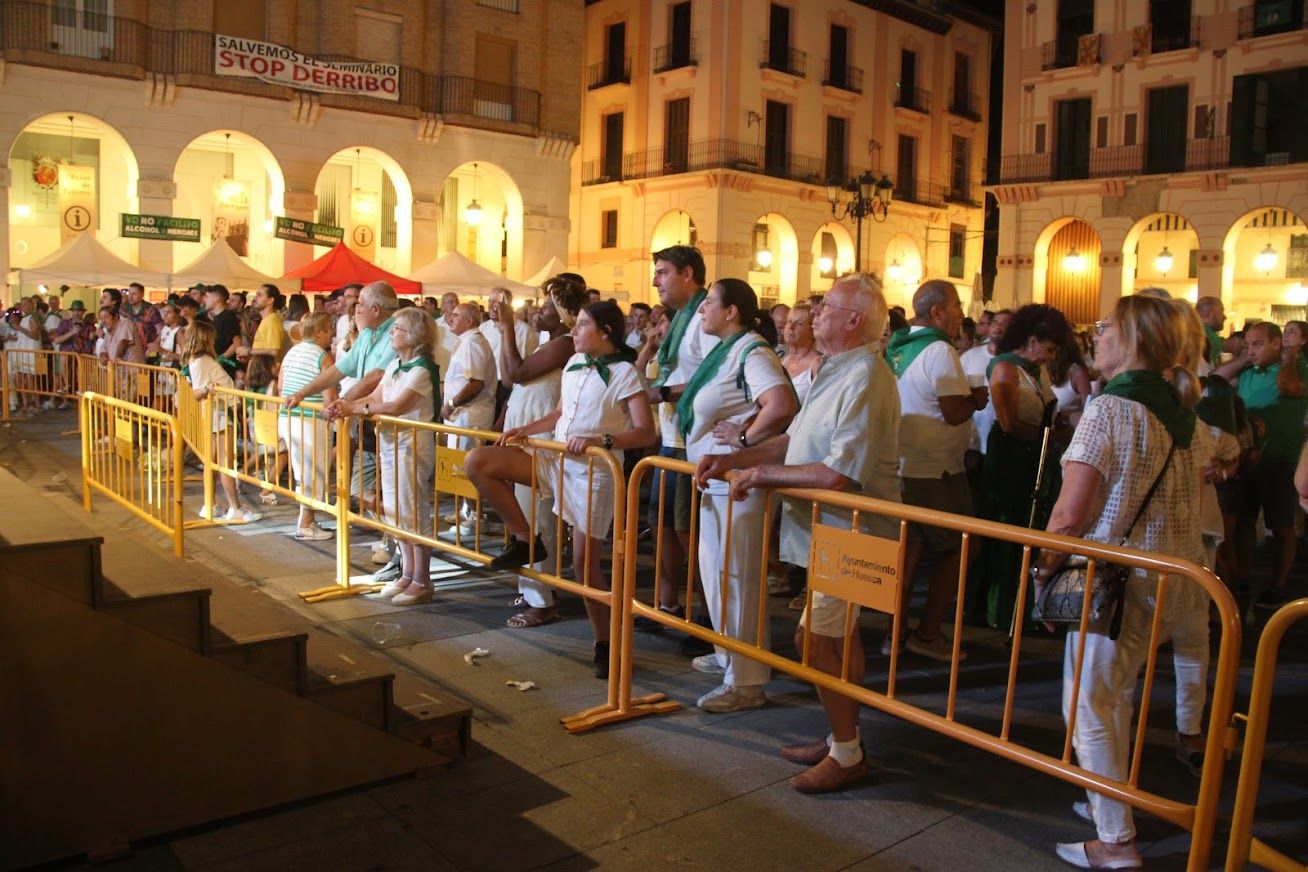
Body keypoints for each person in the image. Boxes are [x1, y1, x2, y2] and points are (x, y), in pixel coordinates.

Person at [1033, 295, 1236, 870]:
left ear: (1136, 342)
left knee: (1091, 703)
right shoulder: (1183, 413)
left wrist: (1044, 569)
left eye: (1107, 329)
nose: (1096, 336)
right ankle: (1109, 799)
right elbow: (1227, 453)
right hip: (1178, 576)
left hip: (1117, 582)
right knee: (1116, 696)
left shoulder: (1109, 410)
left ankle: (1116, 841)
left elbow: (1069, 516)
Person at [698, 273, 900, 794]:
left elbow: (838, 472)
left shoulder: (866, 376)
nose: (814, 313)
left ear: (854, 321)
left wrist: (760, 475)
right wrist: (736, 459)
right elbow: (794, 441)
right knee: (837, 638)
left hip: (853, 534)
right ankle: (841, 737)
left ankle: (848, 752)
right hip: (831, 533)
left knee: (816, 642)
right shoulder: (838, 368)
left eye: (827, 306)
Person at [465, 301, 655, 677]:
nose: (576, 330)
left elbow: (645, 432)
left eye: (583, 324)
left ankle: (606, 642)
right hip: (557, 460)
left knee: (586, 566)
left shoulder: (625, 373)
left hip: (595, 472)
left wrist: (601, 438)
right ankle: (525, 538)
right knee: (479, 462)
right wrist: (528, 429)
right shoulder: (572, 364)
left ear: (605, 332)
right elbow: (560, 415)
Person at [682, 279, 796, 711]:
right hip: (720, 481)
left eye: (709, 303)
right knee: (718, 571)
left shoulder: (754, 351)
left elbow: (781, 404)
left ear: (732, 312)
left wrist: (744, 439)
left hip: (740, 484)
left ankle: (746, 682)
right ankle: (730, 652)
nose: (701, 310)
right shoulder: (728, 351)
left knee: (737, 577)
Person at [885, 280, 988, 661]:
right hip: (936, 470)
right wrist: (976, 400)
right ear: (937, 312)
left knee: (910, 554)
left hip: (903, 463)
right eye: (956, 305)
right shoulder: (939, 350)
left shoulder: (895, 347)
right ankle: (928, 634)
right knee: (963, 546)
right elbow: (953, 411)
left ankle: (893, 635)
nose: (962, 313)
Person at [286, 282, 401, 577]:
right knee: (363, 488)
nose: (355, 308)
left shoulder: (393, 333)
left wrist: (341, 402)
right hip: (362, 422)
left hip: (387, 423)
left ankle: (399, 549)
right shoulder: (368, 335)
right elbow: (340, 369)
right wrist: (303, 392)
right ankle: (394, 543)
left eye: (360, 303)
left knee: (389, 488)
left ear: (376, 309)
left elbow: (376, 376)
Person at [967, 304, 1071, 631]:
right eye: (1049, 349)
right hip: (1011, 459)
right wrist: (1054, 435)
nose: (1051, 357)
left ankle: (1025, 607)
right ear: (1031, 340)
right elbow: (1009, 422)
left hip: (1035, 458)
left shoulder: (1032, 369)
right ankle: (1001, 608)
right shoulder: (1004, 369)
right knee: (1009, 528)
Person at [327, 308, 441, 605]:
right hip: (391, 443)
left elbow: (397, 406)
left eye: (398, 329)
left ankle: (422, 579)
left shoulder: (421, 369)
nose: (392, 333)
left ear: (415, 335)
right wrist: (345, 404)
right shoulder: (395, 365)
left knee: (412, 509)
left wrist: (356, 409)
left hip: (411, 445)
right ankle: (407, 571)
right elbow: (377, 398)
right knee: (394, 509)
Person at [497, 274, 589, 628]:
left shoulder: (565, 343)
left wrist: (507, 328)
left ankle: (543, 600)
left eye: (547, 305)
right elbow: (509, 379)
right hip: (528, 435)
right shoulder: (546, 342)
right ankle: (533, 586)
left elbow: (515, 372)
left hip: (543, 440)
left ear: (564, 313)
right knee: (526, 513)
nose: (538, 310)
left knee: (536, 517)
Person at [639, 245, 719, 628]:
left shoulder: (705, 318)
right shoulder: (681, 318)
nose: (656, 280)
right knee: (663, 525)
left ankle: (707, 616)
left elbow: (713, 378)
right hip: (672, 437)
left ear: (688, 274)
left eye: (663, 272)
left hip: (693, 442)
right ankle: (667, 603)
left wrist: (664, 393)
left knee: (692, 534)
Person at [1217, 320, 1308, 609]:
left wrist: (1289, 359)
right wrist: (1246, 357)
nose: (1251, 350)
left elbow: (1289, 386)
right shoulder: (1249, 370)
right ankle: (1242, 577)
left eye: (1257, 344)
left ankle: (1278, 585)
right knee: (1245, 521)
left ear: (1276, 343)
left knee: (1281, 525)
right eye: (1248, 344)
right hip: (1248, 457)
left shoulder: (1297, 368)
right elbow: (1216, 377)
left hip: (1281, 458)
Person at [181, 320, 263, 524]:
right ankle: (234, 507)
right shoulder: (201, 361)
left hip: (216, 413)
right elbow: (197, 392)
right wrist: (209, 388)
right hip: (218, 414)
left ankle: (211, 504)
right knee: (225, 463)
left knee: (214, 462)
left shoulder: (200, 360)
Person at [277, 310, 338, 540]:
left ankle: (306, 519)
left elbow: (282, 385)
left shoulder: (292, 352)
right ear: (320, 331)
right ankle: (306, 522)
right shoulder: (323, 357)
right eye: (329, 328)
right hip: (309, 420)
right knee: (314, 469)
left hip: (288, 416)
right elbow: (329, 397)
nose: (332, 334)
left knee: (302, 469)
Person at [780, 303, 821, 406]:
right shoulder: (781, 361)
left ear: (812, 331)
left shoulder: (818, 364)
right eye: (789, 321)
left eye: (799, 323)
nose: (791, 327)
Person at [203, 285, 243, 378]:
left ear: (216, 298)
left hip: (226, 370)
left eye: (207, 297)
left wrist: (221, 358)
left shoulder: (228, 317)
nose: (205, 300)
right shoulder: (216, 318)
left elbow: (237, 342)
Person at [1195, 296, 1225, 368]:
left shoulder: (1189, 331)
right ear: (1209, 314)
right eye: (1221, 312)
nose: (1224, 317)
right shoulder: (1210, 338)